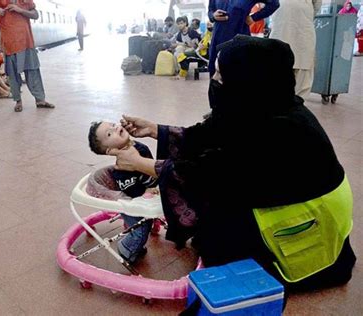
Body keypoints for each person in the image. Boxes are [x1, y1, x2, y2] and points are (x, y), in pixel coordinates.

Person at [109, 35, 356, 292]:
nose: (214, 81)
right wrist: (154, 129)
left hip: (310, 215)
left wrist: (140, 163)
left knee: (219, 224)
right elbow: (207, 134)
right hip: (293, 199)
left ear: (249, 80)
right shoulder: (258, 106)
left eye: (220, 76)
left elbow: (210, 174)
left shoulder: (283, 128)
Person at [88, 121, 158, 263]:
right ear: (110, 150)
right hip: (131, 204)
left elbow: (152, 168)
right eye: (109, 133)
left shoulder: (141, 148)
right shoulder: (121, 169)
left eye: (113, 125)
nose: (115, 129)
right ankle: (126, 250)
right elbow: (131, 193)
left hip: (150, 192)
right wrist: (147, 190)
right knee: (141, 230)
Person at [0, 1, 55, 112]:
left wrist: (20, 10)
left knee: (33, 72)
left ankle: (40, 100)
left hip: (27, 42)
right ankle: (18, 101)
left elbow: (35, 15)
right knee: (13, 75)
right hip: (10, 46)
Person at [207, 0, 280, 76]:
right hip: (218, 38)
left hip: (239, 39)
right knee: (215, 77)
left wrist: (253, 17)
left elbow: (274, 4)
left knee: (240, 77)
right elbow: (210, 10)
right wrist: (212, 16)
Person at [270, 0, 322, 99]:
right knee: (302, 68)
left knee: (280, 67)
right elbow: (317, 5)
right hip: (299, 22)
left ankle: (282, 106)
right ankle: (297, 106)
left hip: (287, 24)